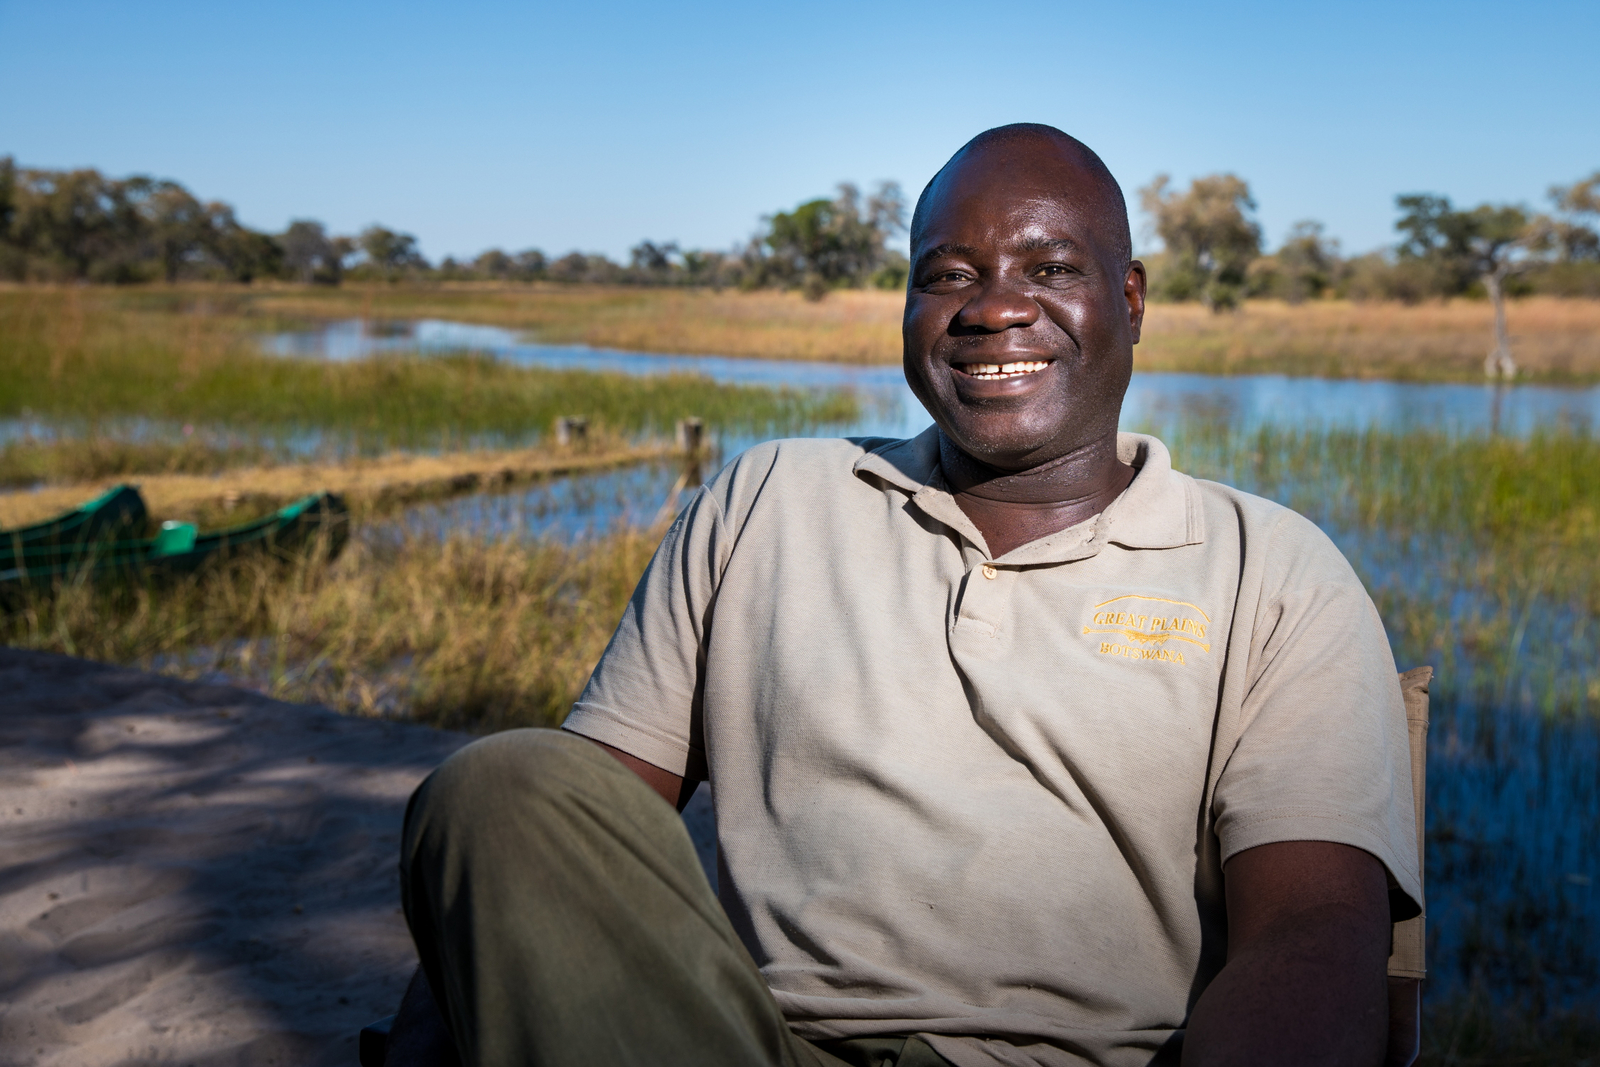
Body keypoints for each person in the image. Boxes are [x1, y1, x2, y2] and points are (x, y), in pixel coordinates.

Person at [387, 124, 1421, 1067]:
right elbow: (576, 829)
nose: (993, 306)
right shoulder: (768, 500)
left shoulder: (1269, 568)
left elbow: (1312, 934)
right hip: (747, 1045)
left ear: (1132, 300)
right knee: (504, 782)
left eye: (1050, 267)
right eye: (948, 274)